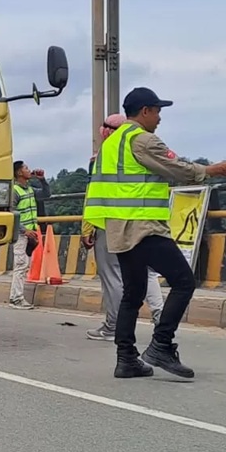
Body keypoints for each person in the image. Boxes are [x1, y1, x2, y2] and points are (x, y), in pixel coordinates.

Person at [84, 87, 226, 379]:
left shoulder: (112, 143)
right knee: (183, 281)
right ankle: (161, 345)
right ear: (144, 111)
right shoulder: (142, 139)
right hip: (143, 227)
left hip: (118, 227)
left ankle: (126, 358)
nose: (159, 118)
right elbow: (177, 168)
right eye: (157, 111)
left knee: (133, 293)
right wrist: (213, 170)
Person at [81, 114, 163, 341]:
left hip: (110, 221)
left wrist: (87, 227)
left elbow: (94, 194)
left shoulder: (102, 157)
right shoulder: (141, 148)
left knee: (113, 275)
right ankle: (160, 315)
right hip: (143, 220)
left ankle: (113, 326)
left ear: (107, 132)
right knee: (145, 270)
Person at [8, 160, 40, 310]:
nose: (29, 170)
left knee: (24, 265)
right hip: (22, 234)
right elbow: (11, 212)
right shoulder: (15, 191)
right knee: (21, 265)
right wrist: (24, 230)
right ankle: (16, 298)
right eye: (26, 168)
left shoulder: (29, 189)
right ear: (19, 172)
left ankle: (17, 297)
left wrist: (43, 180)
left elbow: (46, 194)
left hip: (30, 233)